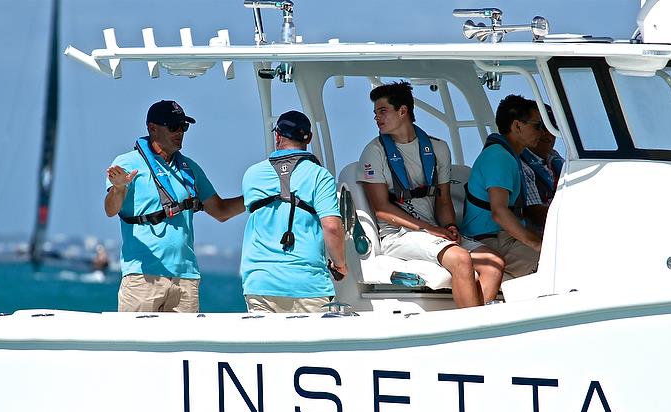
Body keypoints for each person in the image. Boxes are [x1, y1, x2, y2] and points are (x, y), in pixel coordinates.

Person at [358, 82, 504, 308]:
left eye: (382, 111)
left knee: (493, 263)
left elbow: (443, 199)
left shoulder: (438, 148)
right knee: (461, 259)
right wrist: (430, 229)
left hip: (433, 232)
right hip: (398, 236)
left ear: (403, 111)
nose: (376, 118)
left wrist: (449, 226)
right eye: (375, 113)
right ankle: (472, 330)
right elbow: (381, 209)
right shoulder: (374, 152)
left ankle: (470, 324)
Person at [105, 100, 245, 313]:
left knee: (185, 347)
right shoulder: (127, 163)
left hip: (185, 278)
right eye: (173, 126)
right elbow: (110, 210)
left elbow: (221, 211)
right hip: (143, 277)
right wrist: (118, 188)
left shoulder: (189, 168)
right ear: (152, 128)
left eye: (183, 126)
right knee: (136, 345)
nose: (180, 131)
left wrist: (256, 196)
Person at [240, 110, 347, 313]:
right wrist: (340, 265)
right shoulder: (320, 175)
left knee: (267, 344)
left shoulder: (252, 174)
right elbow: (332, 227)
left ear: (277, 136)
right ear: (309, 138)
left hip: (261, 282)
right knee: (314, 345)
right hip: (308, 284)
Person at [461, 94, 543, 278]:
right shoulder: (500, 157)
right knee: (555, 260)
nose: (543, 132)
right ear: (517, 126)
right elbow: (499, 212)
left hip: (500, 236)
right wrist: (536, 243)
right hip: (488, 239)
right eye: (538, 126)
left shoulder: (506, 155)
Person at [520, 104, 565, 233]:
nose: (547, 133)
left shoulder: (554, 157)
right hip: (540, 235)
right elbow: (534, 213)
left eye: (554, 126)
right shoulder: (519, 162)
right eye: (540, 127)